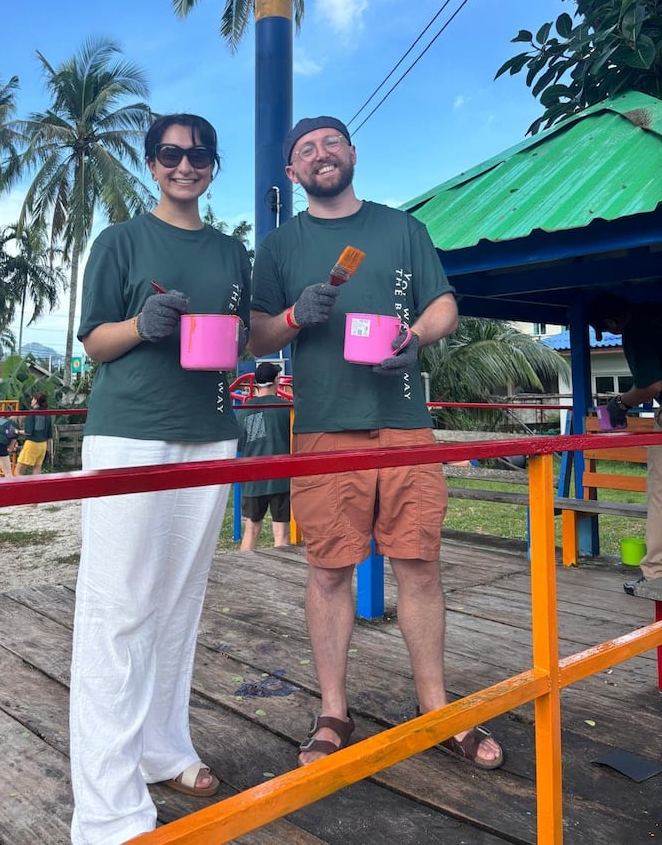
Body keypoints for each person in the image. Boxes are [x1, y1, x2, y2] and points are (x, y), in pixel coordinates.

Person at [249, 115, 504, 770]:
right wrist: (291, 317)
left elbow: (444, 306)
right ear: (292, 172)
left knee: (419, 565)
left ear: (353, 153)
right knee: (329, 570)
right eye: (305, 149)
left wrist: (414, 338)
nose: (321, 154)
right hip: (324, 428)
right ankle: (333, 711)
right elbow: (255, 339)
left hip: (405, 422)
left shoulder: (402, 229)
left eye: (331, 142)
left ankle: (436, 708)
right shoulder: (280, 247)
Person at [69, 113, 251, 844]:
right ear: (151, 164)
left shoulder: (233, 252)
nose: (186, 165)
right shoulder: (119, 241)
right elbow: (94, 343)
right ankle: (107, 806)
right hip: (128, 436)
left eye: (199, 154)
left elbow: (243, 337)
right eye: (171, 154)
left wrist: (297, 318)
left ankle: (161, 748)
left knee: (178, 602)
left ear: (213, 164)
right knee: (117, 609)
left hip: (210, 435)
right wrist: (142, 325)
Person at [587, 292, 662, 598]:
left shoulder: (637, 329)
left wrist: (619, 402)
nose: (612, 334)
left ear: (613, 320)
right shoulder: (655, 312)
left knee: (660, 492)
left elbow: (651, 385)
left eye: (609, 330)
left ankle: (656, 572)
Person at [237, 361, 292, 550]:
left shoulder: (244, 411)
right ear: (277, 380)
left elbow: (240, 442)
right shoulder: (287, 408)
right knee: (281, 533)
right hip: (282, 477)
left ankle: (242, 570)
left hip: (253, 477)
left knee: (251, 530)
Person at [15, 392, 53, 475]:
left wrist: (17, 431)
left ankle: (21, 488)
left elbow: (28, 432)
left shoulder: (31, 413)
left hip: (32, 443)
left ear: (36, 401)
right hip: (43, 444)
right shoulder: (47, 414)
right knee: (37, 468)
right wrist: (48, 450)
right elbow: (49, 435)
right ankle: (38, 487)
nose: (31, 401)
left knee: (18, 471)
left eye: (32, 399)